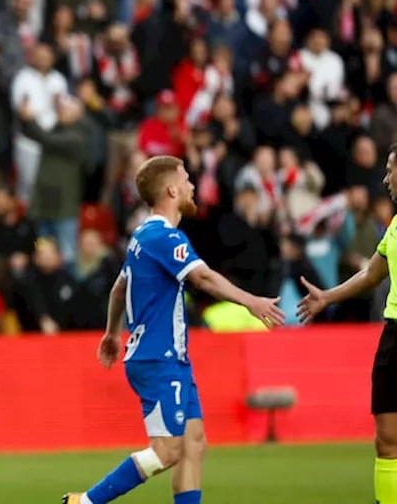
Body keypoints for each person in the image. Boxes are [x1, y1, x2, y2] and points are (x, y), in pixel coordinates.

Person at [64, 155, 284, 504]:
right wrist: (250, 301)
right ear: (170, 189)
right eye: (186, 180)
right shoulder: (165, 237)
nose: (192, 186)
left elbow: (119, 288)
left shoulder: (141, 235)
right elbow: (202, 276)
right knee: (169, 451)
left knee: (194, 445)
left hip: (165, 357)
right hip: (159, 357)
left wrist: (111, 333)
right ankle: (87, 501)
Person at [299, 143, 397, 504]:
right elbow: (372, 273)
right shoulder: (395, 226)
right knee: (386, 440)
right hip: (393, 337)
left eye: (391, 170)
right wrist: (327, 296)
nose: (386, 179)